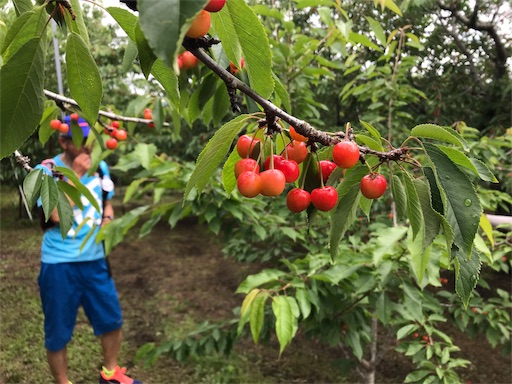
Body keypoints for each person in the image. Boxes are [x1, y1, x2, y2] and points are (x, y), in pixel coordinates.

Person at [35, 117, 142, 384]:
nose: (88, 147)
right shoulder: (47, 171)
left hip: (95, 261)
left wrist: (107, 218)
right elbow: (56, 216)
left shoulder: (101, 167)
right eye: (81, 141)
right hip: (59, 263)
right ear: (63, 141)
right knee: (58, 329)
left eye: (91, 140)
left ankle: (111, 372)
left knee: (111, 319)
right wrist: (78, 175)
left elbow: (107, 202)